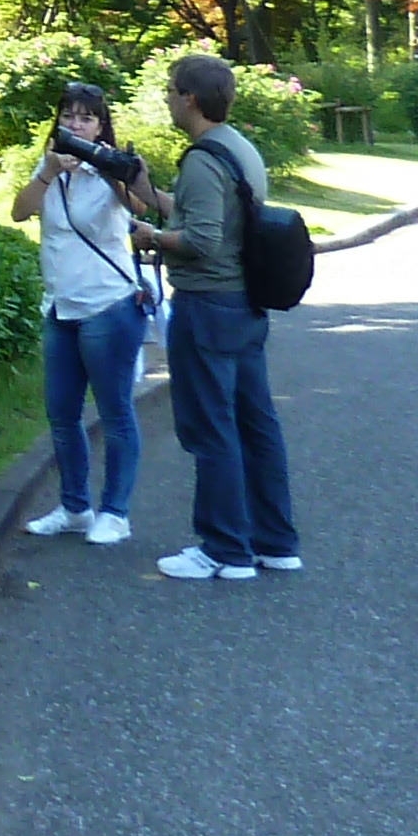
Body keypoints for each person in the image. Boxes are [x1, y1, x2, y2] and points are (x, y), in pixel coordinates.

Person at [131, 52, 301, 582]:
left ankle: (224, 548)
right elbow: (208, 214)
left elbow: (201, 240)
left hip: (207, 307)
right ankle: (275, 542)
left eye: (169, 90)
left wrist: (151, 238)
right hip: (244, 306)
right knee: (257, 425)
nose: (165, 98)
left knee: (211, 429)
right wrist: (142, 190)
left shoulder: (203, 158)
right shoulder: (237, 149)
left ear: (190, 98)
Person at [9, 80, 161, 546]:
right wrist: (49, 173)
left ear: (101, 126)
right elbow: (19, 212)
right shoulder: (49, 167)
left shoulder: (112, 170)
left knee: (115, 413)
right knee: (61, 414)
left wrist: (124, 173)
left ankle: (115, 511)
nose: (76, 124)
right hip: (60, 306)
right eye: (69, 115)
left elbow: (145, 204)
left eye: (87, 117)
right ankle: (74, 506)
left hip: (108, 306)